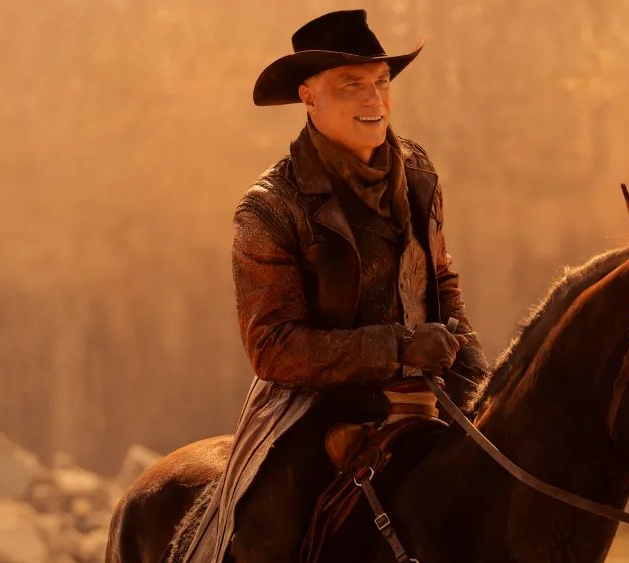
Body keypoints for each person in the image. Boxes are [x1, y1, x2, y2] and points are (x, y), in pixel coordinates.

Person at [182, 9, 490, 561]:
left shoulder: (419, 170)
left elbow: (441, 279)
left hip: (430, 388)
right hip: (315, 404)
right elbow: (273, 348)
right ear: (309, 97)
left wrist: (478, 376)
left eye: (381, 82)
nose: (374, 99)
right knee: (268, 533)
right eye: (351, 84)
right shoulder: (270, 207)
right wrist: (397, 346)